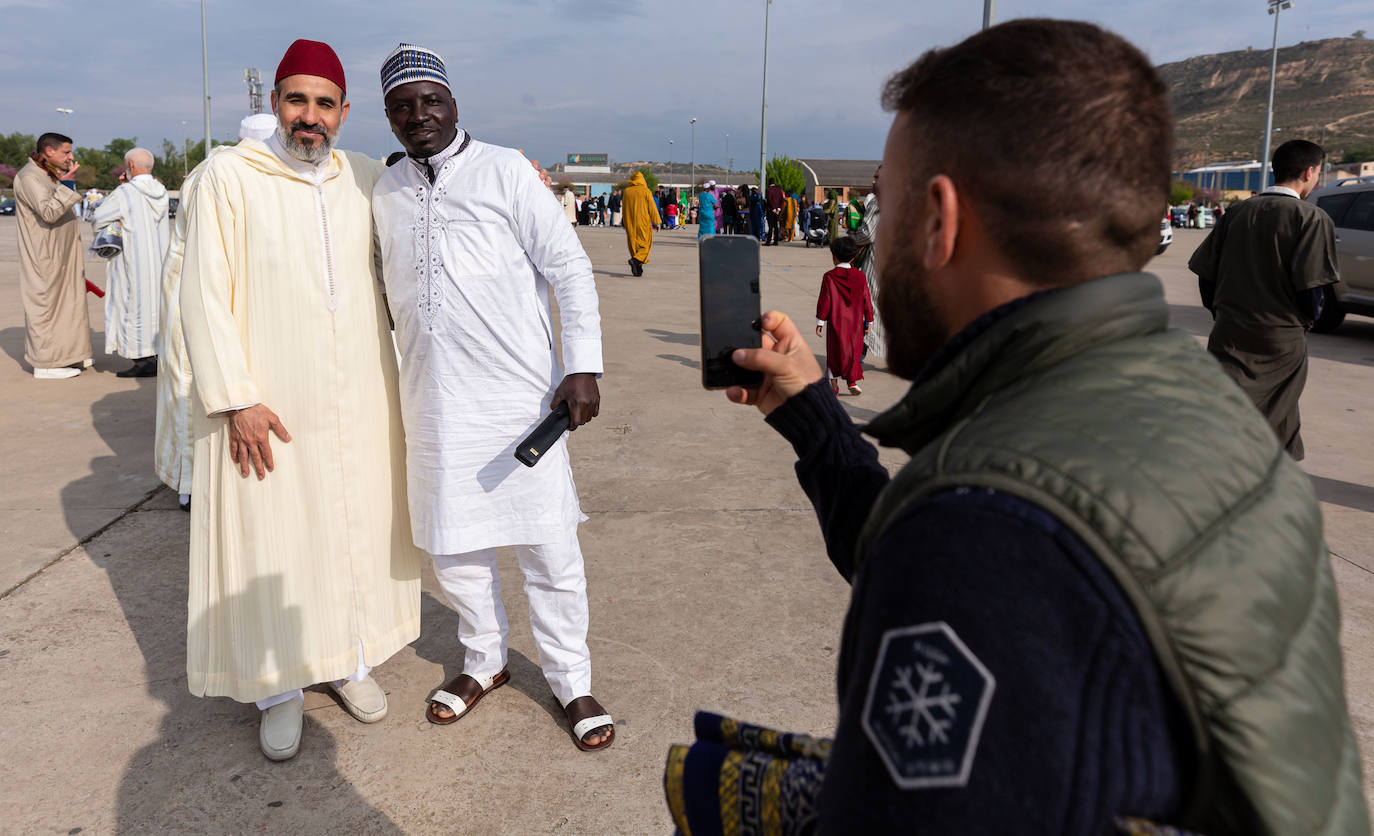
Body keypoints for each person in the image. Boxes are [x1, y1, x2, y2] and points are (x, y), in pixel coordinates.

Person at [663, 19, 1366, 834]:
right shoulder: (1194, 400)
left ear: (939, 219)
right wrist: (813, 416)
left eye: (884, 203)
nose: (874, 232)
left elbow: (979, 558)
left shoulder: (987, 531)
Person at [179, 38, 423, 762]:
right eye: (296, 100)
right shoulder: (228, 176)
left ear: (345, 112)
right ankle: (278, 689)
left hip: (358, 400)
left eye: (323, 104)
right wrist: (236, 399)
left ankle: (350, 659)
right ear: (274, 104)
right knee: (276, 540)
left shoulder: (369, 177)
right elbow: (201, 296)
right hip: (270, 405)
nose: (308, 117)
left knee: (351, 527)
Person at [372, 42, 614, 752]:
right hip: (434, 405)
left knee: (548, 550)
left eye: (431, 101)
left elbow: (569, 269)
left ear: (454, 103)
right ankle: (486, 661)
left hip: (519, 403)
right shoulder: (383, 192)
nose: (420, 116)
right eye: (403, 106)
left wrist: (584, 366)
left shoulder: (505, 170)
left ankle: (571, 678)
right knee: (456, 550)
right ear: (388, 117)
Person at [156, 114, 277, 513]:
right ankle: (189, 482)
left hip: (223, 290)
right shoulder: (215, 173)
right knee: (192, 389)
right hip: (195, 294)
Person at [1189, 139, 1338, 461]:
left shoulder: (1237, 212)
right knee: (1277, 413)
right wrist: (1303, 322)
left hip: (1230, 330)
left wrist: (1220, 312)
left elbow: (1205, 273)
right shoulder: (1312, 218)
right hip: (1281, 336)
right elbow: (1312, 288)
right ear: (1310, 172)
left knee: (1226, 409)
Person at [14, 132, 92, 380]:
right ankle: (45, 362)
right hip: (43, 256)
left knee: (68, 306)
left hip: (60, 255)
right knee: (46, 306)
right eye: (66, 152)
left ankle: (66, 356)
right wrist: (67, 186)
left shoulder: (46, 174)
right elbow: (48, 212)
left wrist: (63, 183)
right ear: (49, 151)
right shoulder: (30, 177)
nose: (70, 157)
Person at [89, 147, 170, 378]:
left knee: (131, 307)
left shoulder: (125, 193)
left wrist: (121, 187)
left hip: (132, 263)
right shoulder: (161, 191)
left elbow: (98, 216)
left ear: (130, 167)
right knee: (156, 308)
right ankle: (156, 355)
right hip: (159, 262)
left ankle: (142, 361)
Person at [816, 236, 873, 395]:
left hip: (836, 322)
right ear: (854, 257)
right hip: (855, 324)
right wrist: (868, 320)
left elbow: (825, 301)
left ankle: (833, 386)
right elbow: (866, 299)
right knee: (853, 352)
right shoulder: (860, 276)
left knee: (834, 353)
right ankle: (852, 381)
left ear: (834, 256)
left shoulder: (829, 276)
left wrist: (820, 321)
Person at [853, 167, 885, 358]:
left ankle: (857, 357)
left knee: (865, 310)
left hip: (875, 265)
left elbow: (867, 234)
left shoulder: (879, 201)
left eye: (878, 178)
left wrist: (850, 238)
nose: (874, 182)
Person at [622, 170, 660, 276]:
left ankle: (638, 268)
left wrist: (624, 222)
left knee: (634, 244)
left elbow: (624, 208)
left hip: (630, 222)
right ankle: (635, 261)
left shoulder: (627, 191)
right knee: (645, 244)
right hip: (643, 222)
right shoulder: (645, 191)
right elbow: (652, 208)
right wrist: (657, 222)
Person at [766, 178, 786, 245]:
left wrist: (773, 209)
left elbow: (769, 200)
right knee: (776, 226)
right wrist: (778, 209)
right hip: (777, 210)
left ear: (769, 182)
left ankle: (768, 241)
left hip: (771, 210)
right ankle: (775, 241)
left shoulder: (768, 190)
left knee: (770, 226)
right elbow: (782, 200)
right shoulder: (779, 190)